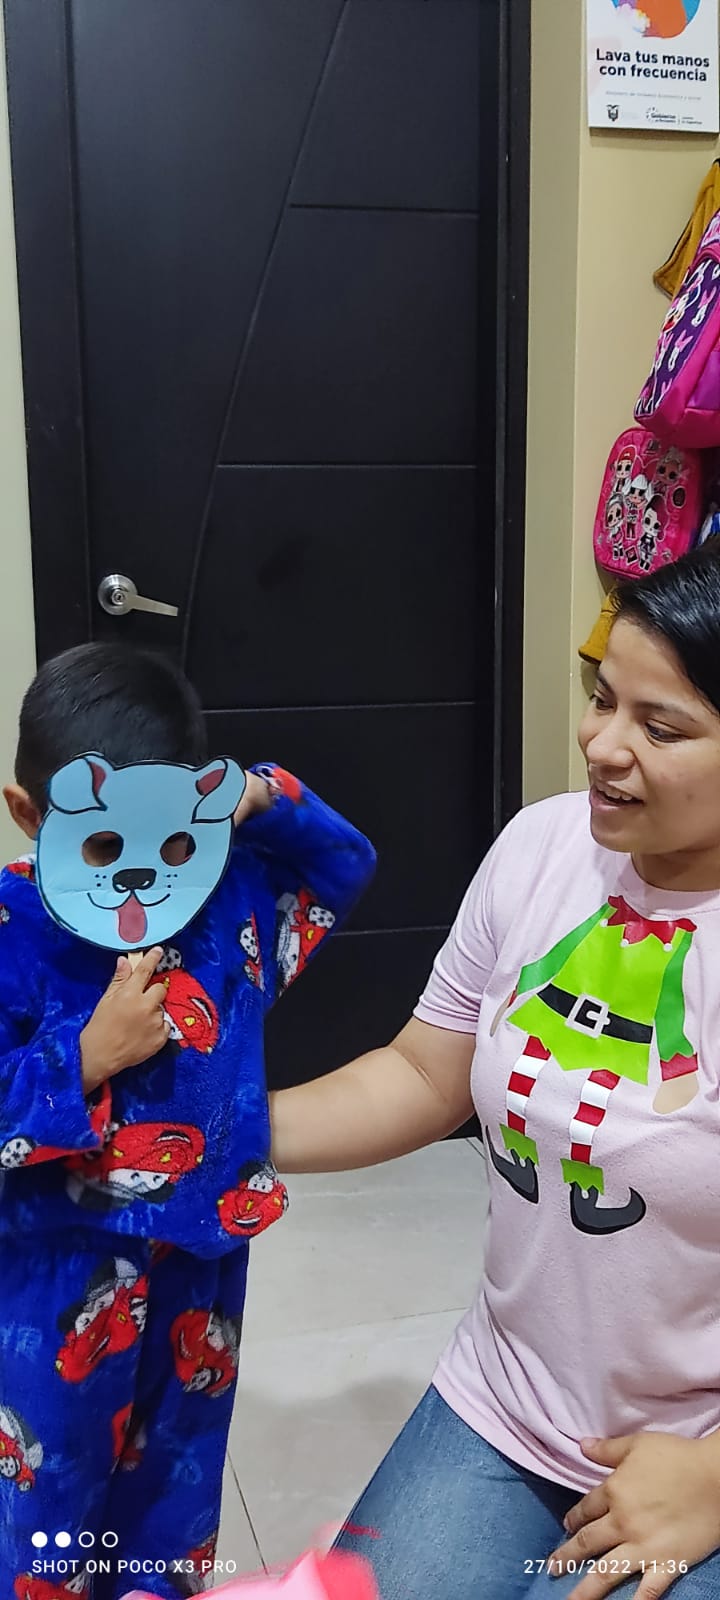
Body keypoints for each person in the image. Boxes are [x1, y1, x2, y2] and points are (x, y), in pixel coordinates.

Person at [269, 542, 720, 1600]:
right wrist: (224, 1130)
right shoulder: (542, 845)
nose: (601, 744)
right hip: (507, 1398)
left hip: (693, 1456)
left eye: (659, 728)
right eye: (602, 698)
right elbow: (425, 1075)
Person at [0, 643, 375, 1600]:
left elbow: (343, 861)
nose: (141, 878)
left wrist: (260, 795)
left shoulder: (231, 897)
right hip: (56, 1272)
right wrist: (86, 1056)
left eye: (172, 844)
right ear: (28, 815)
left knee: (173, 1492)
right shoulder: (12, 927)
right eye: (100, 849)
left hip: (202, 1258)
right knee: (47, 1507)